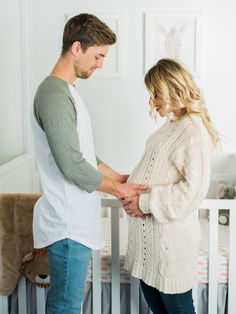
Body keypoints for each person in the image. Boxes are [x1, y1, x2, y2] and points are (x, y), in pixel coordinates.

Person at [31, 13, 147, 314]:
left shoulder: (67, 92)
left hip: (76, 222)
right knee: (66, 307)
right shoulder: (53, 94)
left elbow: (85, 154)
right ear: (77, 48)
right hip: (67, 225)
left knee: (69, 304)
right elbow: (71, 163)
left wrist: (119, 177)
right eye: (98, 56)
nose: (100, 64)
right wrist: (116, 190)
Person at [122, 58, 220, 314]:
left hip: (169, 249)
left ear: (174, 89)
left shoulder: (193, 131)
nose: (152, 101)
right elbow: (160, 172)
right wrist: (129, 181)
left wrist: (143, 201)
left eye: (156, 94)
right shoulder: (172, 126)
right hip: (151, 249)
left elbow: (193, 191)